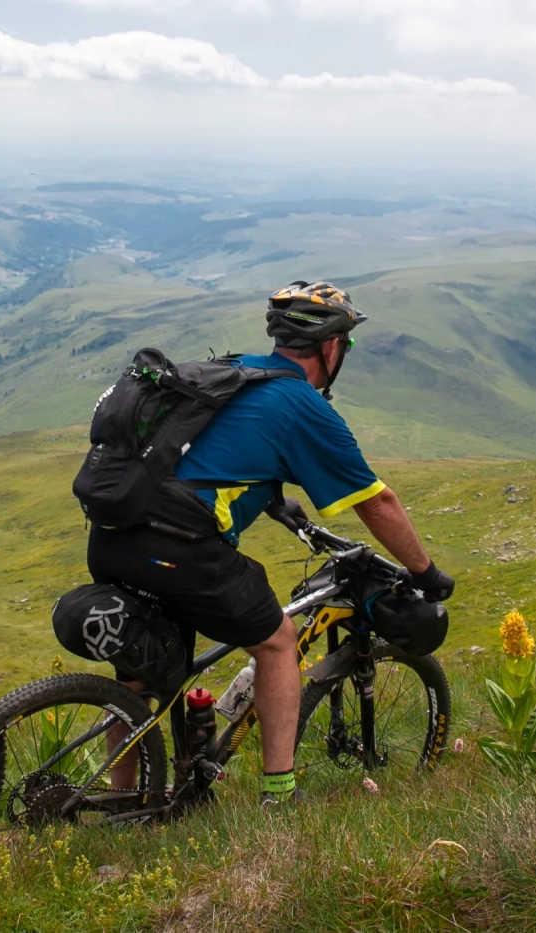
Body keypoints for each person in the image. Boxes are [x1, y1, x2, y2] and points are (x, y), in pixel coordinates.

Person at [85, 280, 455, 806]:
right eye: (344, 345)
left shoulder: (234, 370)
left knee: (142, 676)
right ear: (331, 346)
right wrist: (424, 572)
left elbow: (215, 451)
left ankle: (126, 804)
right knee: (278, 641)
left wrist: (272, 498)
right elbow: (377, 503)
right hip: (178, 547)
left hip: (112, 534)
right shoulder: (301, 402)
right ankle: (280, 792)